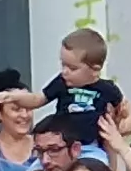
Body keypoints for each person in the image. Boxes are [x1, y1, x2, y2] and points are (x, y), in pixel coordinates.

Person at [41, 25, 121, 154]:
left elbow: (125, 111)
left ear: (95, 70)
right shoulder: (61, 82)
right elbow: (39, 99)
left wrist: (125, 125)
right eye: (63, 65)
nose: (64, 72)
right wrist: (14, 98)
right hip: (61, 146)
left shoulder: (107, 89)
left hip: (91, 147)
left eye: (72, 68)